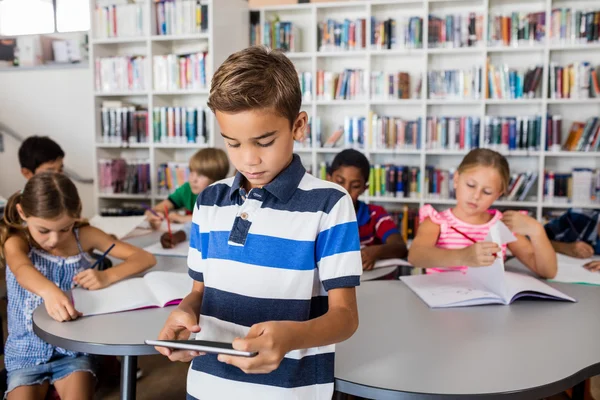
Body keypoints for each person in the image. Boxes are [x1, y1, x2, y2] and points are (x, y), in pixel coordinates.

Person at [155, 45, 362, 400]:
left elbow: (345, 316)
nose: (248, 159)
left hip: (290, 391)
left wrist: (290, 338)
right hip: (207, 385)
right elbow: (200, 291)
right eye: (232, 143)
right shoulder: (209, 201)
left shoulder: (330, 204)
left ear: (297, 126)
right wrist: (184, 313)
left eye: (264, 141)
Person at [408, 148, 557, 279]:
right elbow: (416, 256)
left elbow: (547, 271)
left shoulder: (501, 225)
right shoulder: (436, 222)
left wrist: (537, 231)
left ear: (497, 195)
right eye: (471, 185)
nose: (476, 196)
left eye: (487, 192)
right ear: (456, 180)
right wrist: (463, 257)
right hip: (439, 303)